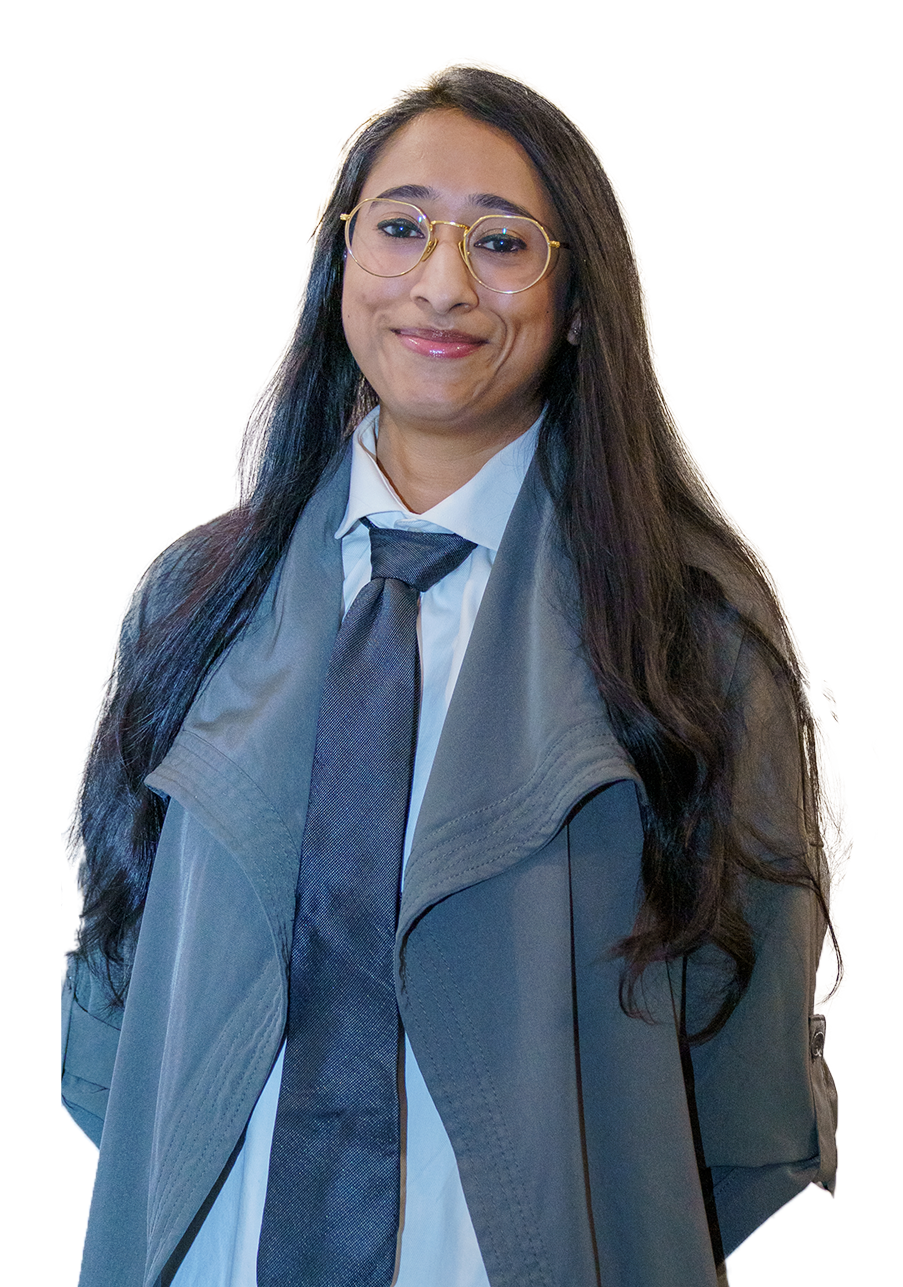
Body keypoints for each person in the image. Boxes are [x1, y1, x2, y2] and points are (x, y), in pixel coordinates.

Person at [62, 58, 851, 1287]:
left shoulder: (685, 631)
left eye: (501, 242)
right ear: (338, 267)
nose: (441, 284)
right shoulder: (190, 597)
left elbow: (752, 1101)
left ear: (579, 303)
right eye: (400, 228)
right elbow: (114, 991)